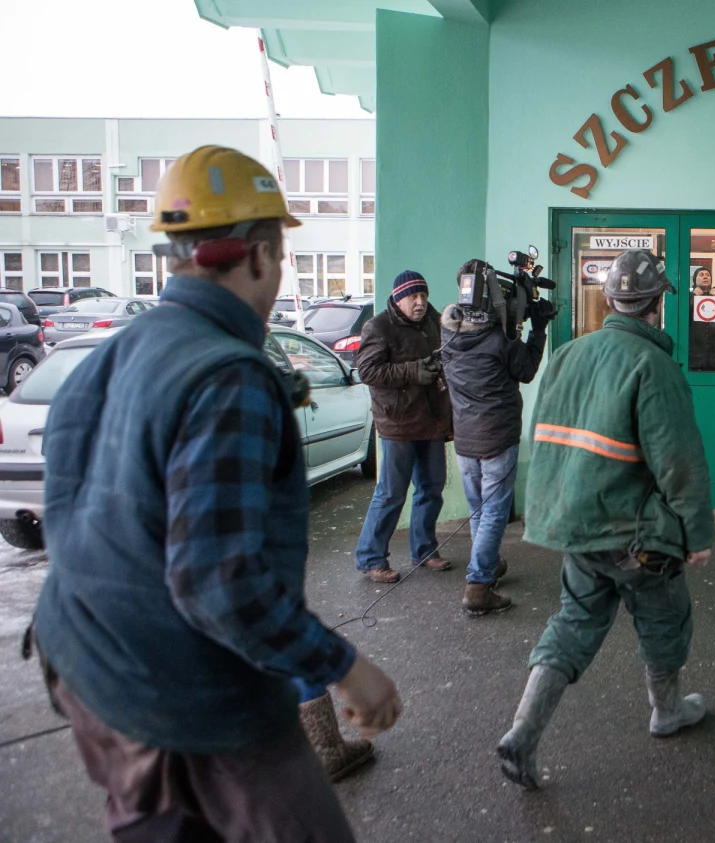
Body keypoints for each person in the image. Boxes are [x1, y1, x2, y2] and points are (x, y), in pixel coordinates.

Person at [31, 146, 401, 842]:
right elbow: (218, 582)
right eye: (282, 254)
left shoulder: (112, 353)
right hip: (189, 696)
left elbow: (72, 508)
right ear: (259, 255)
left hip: (85, 662)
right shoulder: (228, 377)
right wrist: (343, 667)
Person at [497, 249, 715, 790]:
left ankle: (523, 732)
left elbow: (544, 441)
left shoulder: (567, 354)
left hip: (580, 529)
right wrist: (696, 533)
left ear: (612, 300)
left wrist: (552, 511)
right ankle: (666, 711)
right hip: (638, 536)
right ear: (657, 304)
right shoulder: (653, 365)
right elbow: (678, 462)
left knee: (573, 622)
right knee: (665, 620)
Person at [440, 258, 548, 615]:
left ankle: (486, 565)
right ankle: (478, 585)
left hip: (465, 439)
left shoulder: (449, 334)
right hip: (498, 439)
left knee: (478, 510)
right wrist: (538, 329)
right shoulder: (500, 340)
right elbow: (527, 370)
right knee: (493, 513)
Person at [353, 270, 455, 583]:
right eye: (413, 297)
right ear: (398, 299)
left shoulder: (435, 321)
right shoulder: (379, 326)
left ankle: (424, 550)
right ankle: (371, 558)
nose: (420, 302)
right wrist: (413, 371)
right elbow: (367, 371)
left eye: (423, 295)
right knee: (391, 493)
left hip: (431, 421)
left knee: (432, 488)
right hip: (398, 423)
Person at [688, 266, 715, 372]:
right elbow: (682, 316)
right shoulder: (689, 298)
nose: (705, 277)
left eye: (708, 275)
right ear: (695, 280)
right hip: (694, 357)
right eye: (701, 275)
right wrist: (693, 296)